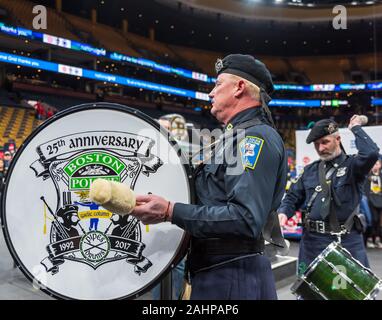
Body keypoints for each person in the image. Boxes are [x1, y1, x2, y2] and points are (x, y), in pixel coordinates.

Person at [130, 54, 288, 300]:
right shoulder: (231, 139)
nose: (210, 93)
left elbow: (245, 218)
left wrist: (171, 211)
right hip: (218, 272)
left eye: (218, 84)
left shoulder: (253, 139)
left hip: (232, 276)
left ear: (239, 87)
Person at [278, 117, 380, 277]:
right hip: (312, 243)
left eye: (325, 142)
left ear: (338, 139)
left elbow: (371, 153)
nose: (320, 148)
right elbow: (292, 197)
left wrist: (356, 128)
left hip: (345, 241)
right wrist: (283, 213)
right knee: (309, 294)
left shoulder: (353, 166)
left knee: (347, 293)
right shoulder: (309, 171)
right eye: (316, 144)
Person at [364, 159, 382, 248]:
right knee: (372, 219)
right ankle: (370, 238)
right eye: (373, 164)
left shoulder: (381, 176)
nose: (375, 166)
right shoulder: (367, 176)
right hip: (370, 200)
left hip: (380, 200)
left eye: (377, 164)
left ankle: (377, 239)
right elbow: (364, 188)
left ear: (380, 165)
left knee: (378, 221)